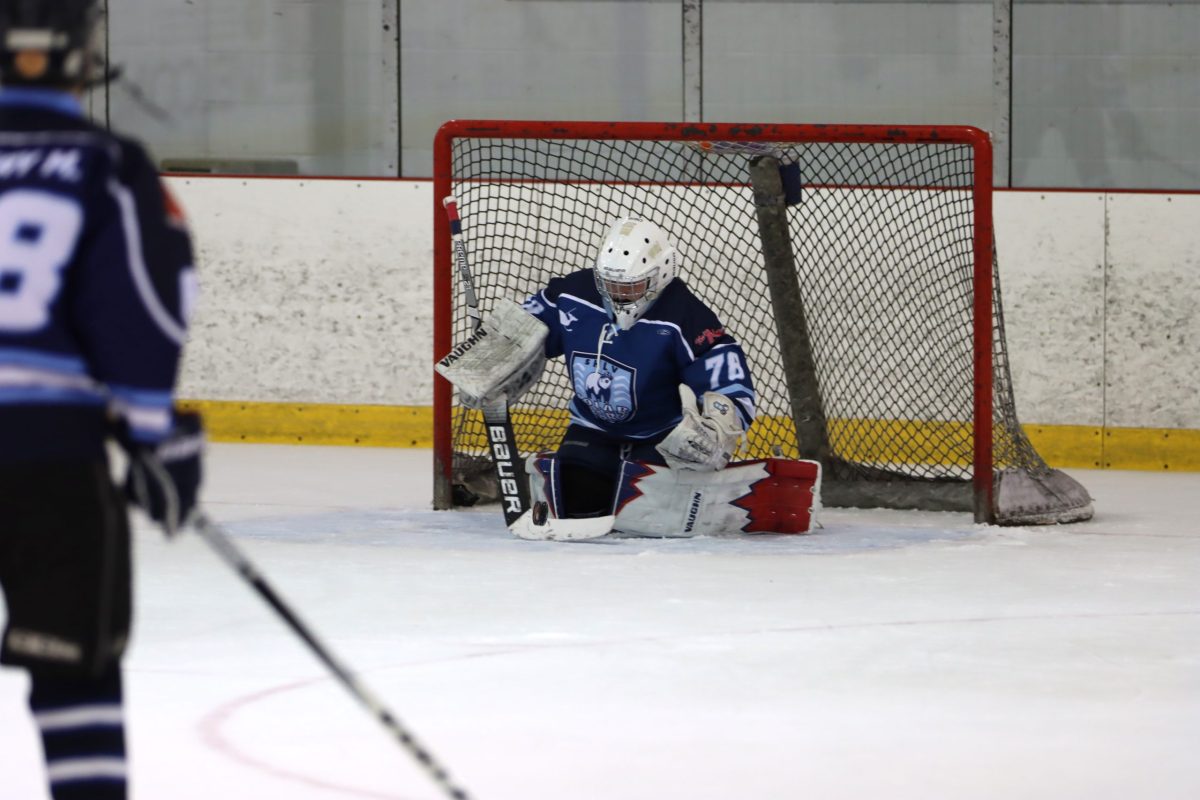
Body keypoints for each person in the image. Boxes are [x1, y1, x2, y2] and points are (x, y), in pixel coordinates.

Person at [0, 2, 202, 798]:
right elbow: (145, 305)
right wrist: (152, 431)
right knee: (73, 670)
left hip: (45, 446)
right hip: (47, 458)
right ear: (76, 55)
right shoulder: (108, 164)